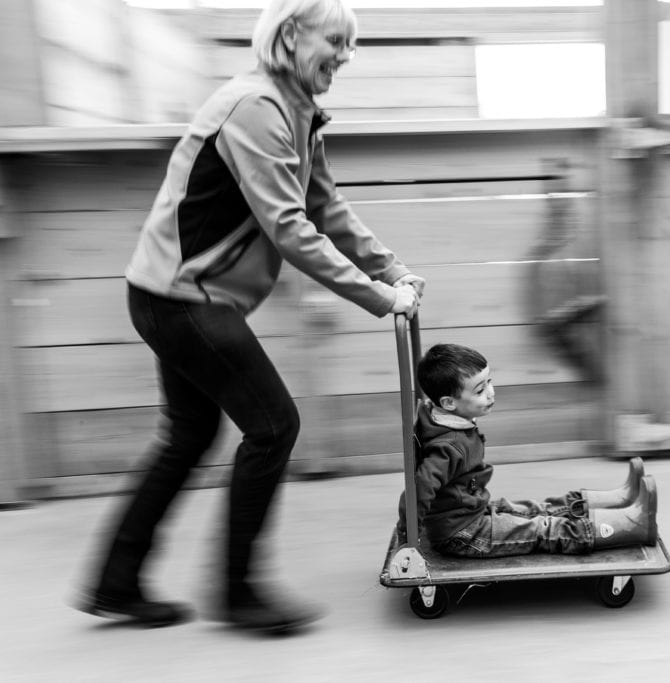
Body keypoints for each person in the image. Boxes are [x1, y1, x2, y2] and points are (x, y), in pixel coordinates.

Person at [75, 0, 424, 633]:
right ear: (290, 35)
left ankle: (115, 583)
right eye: (335, 40)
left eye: (351, 44)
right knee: (273, 426)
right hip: (181, 298)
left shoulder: (297, 109)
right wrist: (379, 297)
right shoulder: (255, 107)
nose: (346, 55)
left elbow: (325, 207)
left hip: (178, 296)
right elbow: (289, 228)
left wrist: (391, 268)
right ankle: (236, 593)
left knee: (189, 434)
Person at [397, 343, 657, 558]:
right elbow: (419, 488)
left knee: (537, 509)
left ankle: (619, 500)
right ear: (448, 403)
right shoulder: (448, 447)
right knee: (541, 528)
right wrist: (407, 536)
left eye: (489, 382)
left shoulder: (439, 416)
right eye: (480, 390)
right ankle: (631, 526)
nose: (491, 393)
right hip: (463, 533)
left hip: (471, 511)